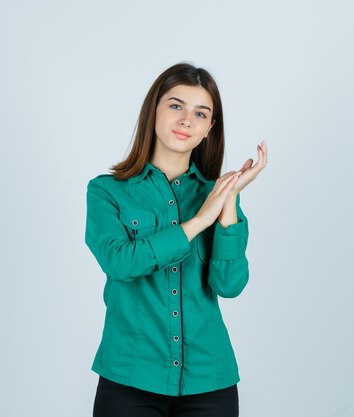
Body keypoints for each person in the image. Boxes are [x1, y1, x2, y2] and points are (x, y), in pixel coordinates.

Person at [85, 62, 268, 417]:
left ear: (209, 129)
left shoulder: (217, 195)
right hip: (129, 379)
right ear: (153, 109)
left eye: (201, 113)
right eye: (175, 105)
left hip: (209, 383)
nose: (187, 120)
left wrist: (228, 200)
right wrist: (199, 221)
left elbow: (229, 284)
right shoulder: (106, 191)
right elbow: (120, 262)